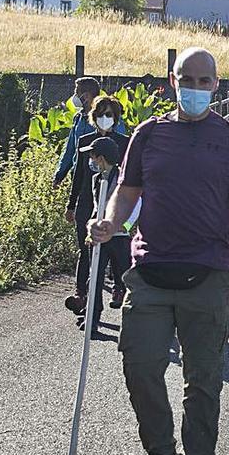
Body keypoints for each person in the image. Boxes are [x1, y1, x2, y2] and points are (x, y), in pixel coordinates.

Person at [88, 47, 229, 455]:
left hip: (207, 272)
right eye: (187, 79)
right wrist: (110, 223)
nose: (195, 87)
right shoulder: (148, 134)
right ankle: (162, 454)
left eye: (204, 81)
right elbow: (126, 194)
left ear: (216, 85)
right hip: (149, 271)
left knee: (203, 380)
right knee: (140, 365)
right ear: (172, 80)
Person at [66, 96, 131, 312]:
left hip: (114, 202)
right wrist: (71, 204)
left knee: (115, 249)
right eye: (101, 114)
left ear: (115, 118)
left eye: (109, 115)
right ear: (93, 117)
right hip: (88, 201)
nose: (105, 118)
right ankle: (82, 295)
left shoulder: (124, 142)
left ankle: (119, 287)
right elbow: (79, 174)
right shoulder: (85, 142)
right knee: (86, 249)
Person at [79, 135, 138, 332]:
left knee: (126, 277)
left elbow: (135, 204)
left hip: (120, 238)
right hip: (99, 237)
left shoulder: (124, 179)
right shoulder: (96, 179)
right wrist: (91, 226)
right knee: (93, 277)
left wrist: (125, 226)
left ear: (101, 158)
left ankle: (136, 319)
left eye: (93, 157)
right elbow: (97, 207)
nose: (92, 161)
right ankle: (92, 318)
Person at [53, 77, 128, 187]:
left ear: (86, 96)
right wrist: (60, 175)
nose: (75, 97)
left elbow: (119, 145)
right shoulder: (78, 118)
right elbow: (70, 150)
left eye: (77, 93)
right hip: (80, 174)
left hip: (104, 176)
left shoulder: (109, 117)